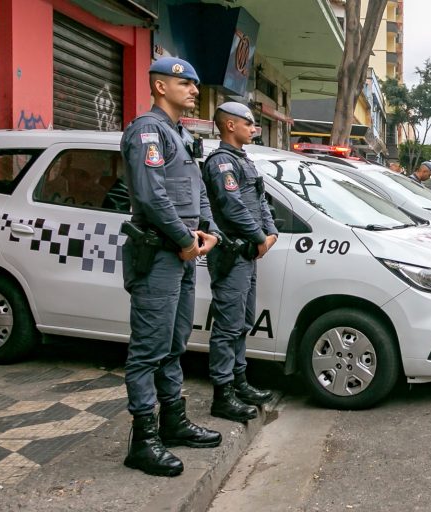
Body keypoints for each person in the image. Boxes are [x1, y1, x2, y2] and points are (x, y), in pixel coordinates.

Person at [119, 57, 223, 478]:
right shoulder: (146, 131)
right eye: (186, 83)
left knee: (175, 341)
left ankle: (172, 421)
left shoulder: (181, 136)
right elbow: (149, 194)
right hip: (160, 253)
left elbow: (195, 190)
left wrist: (208, 231)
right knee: (148, 348)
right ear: (161, 87)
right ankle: (143, 441)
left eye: (196, 83)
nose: (195, 90)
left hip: (183, 255)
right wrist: (184, 240)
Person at [202, 102, 279, 423]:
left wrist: (270, 232)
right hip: (232, 254)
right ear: (230, 126)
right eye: (249, 123)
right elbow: (232, 207)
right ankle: (223, 394)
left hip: (248, 254)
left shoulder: (243, 161)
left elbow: (260, 199)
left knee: (243, 321)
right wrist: (260, 238)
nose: (253, 127)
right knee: (228, 325)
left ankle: (239, 383)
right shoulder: (221, 163)